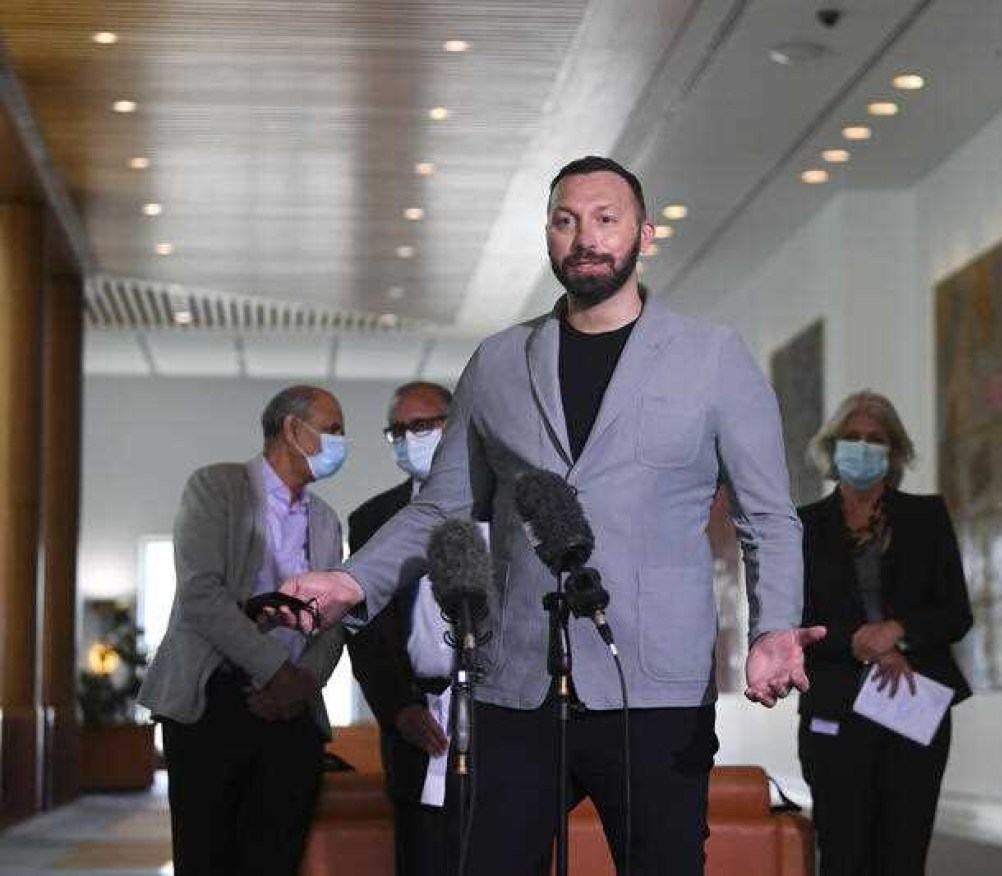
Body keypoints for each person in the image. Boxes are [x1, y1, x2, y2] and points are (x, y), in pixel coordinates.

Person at [278, 155, 824, 873]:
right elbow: (442, 506)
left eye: (605, 219)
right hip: (519, 680)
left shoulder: (712, 358)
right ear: (547, 234)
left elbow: (767, 515)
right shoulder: (499, 362)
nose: (585, 237)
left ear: (644, 234)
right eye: (566, 221)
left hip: (653, 681)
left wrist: (775, 625)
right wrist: (352, 582)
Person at [138, 385, 349, 876]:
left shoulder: (326, 521)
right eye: (334, 429)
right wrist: (276, 671)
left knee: (276, 856)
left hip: (293, 708)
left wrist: (300, 683)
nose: (342, 442)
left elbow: (336, 618)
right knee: (208, 855)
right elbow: (201, 595)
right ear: (293, 430)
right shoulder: (217, 487)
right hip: (213, 700)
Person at [796, 391, 973, 875]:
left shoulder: (926, 518)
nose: (863, 447)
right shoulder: (804, 527)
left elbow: (956, 613)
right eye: (852, 438)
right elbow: (792, 621)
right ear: (832, 448)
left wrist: (899, 631)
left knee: (903, 853)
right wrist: (860, 642)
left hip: (913, 703)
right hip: (835, 705)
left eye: (876, 439)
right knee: (842, 853)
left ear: (894, 453)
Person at [346, 381, 456, 876]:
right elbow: (365, 629)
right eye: (398, 431)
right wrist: (397, 708)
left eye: (422, 426)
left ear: (456, 427)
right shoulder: (372, 518)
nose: (409, 439)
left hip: (494, 719)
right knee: (422, 856)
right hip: (415, 719)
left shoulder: (500, 501)